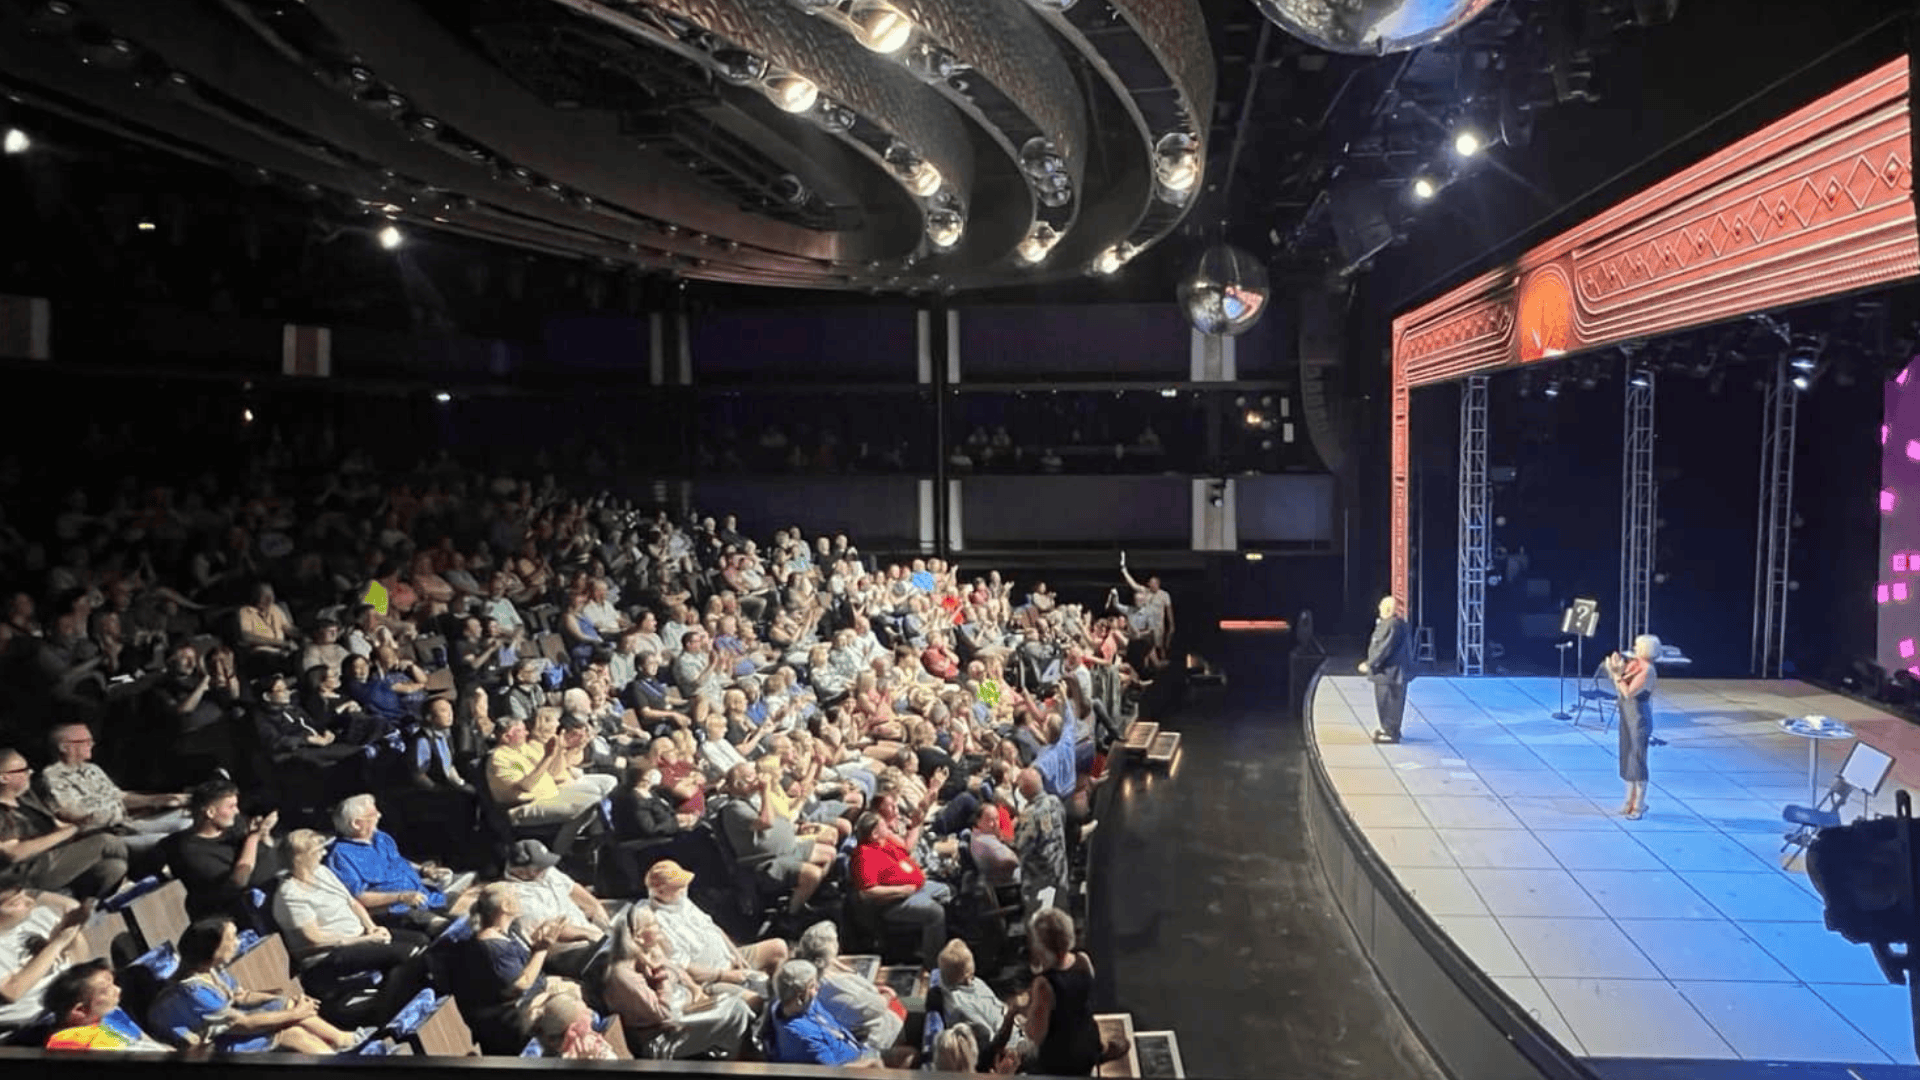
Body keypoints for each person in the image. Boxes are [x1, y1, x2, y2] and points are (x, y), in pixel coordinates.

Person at [271, 830, 429, 1026]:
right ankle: (384, 1015)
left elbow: (352, 903)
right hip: (328, 954)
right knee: (407, 954)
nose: (323, 854)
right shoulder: (290, 895)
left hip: (359, 935)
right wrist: (364, 940)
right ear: (301, 858)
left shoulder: (322, 872)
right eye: (318, 851)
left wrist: (371, 927)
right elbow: (314, 938)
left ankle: (399, 997)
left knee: (422, 941)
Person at [147, 915, 364, 1052]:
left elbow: (241, 996)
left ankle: (343, 1041)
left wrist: (285, 1002)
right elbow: (242, 1024)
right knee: (291, 1032)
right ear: (212, 948)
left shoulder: (211, 969)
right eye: (231, 939)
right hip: (203, 1048)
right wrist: (295, 1013)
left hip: (226, 1029)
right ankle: (340, 1060)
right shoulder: (192, 991)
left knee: (286, 1005)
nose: (237, 942)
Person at [598, 904, 754, 1060]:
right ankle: (735, 1063)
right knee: (736, 1012)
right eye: (652, 924)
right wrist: (662, 977)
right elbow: (662, 1014)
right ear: (638, 937)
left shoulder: (649, 953)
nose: (658, 927)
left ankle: (741, 1055)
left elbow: (678, 972)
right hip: (659, 1039)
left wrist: (694, 990)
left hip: (680, 1014)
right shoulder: (624, 975)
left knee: (736, 1004)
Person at [445, 882, 573, 1055]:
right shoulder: (491, 946)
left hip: (531, 997)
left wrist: (538, 943)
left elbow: (522, 963)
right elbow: (520, 985)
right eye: (514, 894)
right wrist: (543, 948)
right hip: (511, 1019)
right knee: (570, 1008)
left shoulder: (509, 930)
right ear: (505, 906)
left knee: (580, 990)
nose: (519, 898)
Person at [0, 747, 130, 900]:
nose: (30, 772)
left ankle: (96, 907)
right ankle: (142, 881)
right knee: (105, 842)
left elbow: (60, 826)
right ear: (4, 778)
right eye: (22, 770)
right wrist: (69, 832)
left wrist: (86, 824)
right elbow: (14, 853)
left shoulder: (26, 800)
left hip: (56, 862)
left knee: (113, 868)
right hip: (25, 874)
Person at [1011, 908, 1126, 1076]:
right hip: (1090, 1042)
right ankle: (1102, 1054)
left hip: (1062, 1061)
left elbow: (1035, 1035)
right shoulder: (1083, 960)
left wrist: (1021, 1012)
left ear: (1041, 945)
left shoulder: (1044, 984)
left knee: (1019, 1057)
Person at [161, 780, 280, 923]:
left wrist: (264, 833)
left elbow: (266, 848)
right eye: (231, 806)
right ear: (210, 812)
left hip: (279, 878)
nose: (237, 811)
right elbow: (238, 881)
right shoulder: (191, 850)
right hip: (249, 909)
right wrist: (253, 838)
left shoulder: (234, 824)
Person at [791, 920, 902, 1053]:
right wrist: (887, 995)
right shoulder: (834, 988)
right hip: (870, 1042)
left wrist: (834, 963)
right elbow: (876, 1007)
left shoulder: (807, 973)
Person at [764, 959, 883, 1068]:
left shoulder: (792, 1004)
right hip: (855, 1065)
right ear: (800, 996)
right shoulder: (803, 1036)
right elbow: (832, 1073)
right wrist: (871, 1062)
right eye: (812, 986)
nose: (818, 987)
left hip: (856, 1045)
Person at [0, 888, 89, 1032]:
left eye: (24, 894)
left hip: (78, 1005)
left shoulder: (41, 915)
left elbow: (81, 962)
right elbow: (11, 991)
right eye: (15, 903)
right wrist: (57, 944)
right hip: (34, 1030)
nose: (29, 901)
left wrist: (73, 932)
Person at [41, 959, 173, 1051]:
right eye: (104, 991)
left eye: (113, 983)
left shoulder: (108, 1013)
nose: (118, 990)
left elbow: (148, 1043)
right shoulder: (89, 1046)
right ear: (80, 1010)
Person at [1607, 634, 1661, 820]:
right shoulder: (1634, 664)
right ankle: (1628, 800)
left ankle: (1639, 804)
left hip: (1639, 718)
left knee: (1637, 759)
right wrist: (1615, 669)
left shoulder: (1648, 671)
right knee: (1627, 756)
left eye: (1638, 646)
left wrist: (1616, 676)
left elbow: (1628, 692)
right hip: (1627, 715)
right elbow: (1620, 681)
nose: (1634, 648)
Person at [1357, 595, 1412, 744]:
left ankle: (1390, 732)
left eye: (1381, 606)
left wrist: (1370, 664)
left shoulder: (1390, 625)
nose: (1379, 608)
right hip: (1394, 672)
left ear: (1387, 609)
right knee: (1390, 702)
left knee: (1388, 702)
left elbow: (1383, 648)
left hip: (1389, 672)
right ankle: (1389, 729)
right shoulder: (1398, 624)